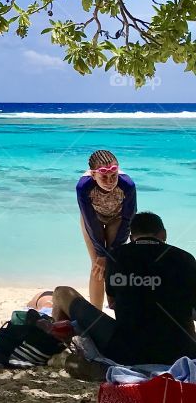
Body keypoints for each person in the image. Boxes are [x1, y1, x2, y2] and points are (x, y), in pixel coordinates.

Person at [53, 211, 196, 365]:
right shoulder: (186, 258)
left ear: (131, 237)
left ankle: (54, 348)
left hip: (126, 352)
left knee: (62, 293)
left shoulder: (116, 256)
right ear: (164, 234)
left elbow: (113, 303)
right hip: (183, 352)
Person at [76, 149, 137, 308]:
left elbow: (128, 219)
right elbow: (90, 221)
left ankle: (116, 308)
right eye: (104, 177)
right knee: (97, 265)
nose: (110, 181)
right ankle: (95, 315)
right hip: (92, 220)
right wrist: (102, 254)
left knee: (113, 264)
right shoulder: (83, 187)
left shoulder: (128, 185)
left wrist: (111, 253)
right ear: (93, 175)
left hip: (117, 218)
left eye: (113, 176)